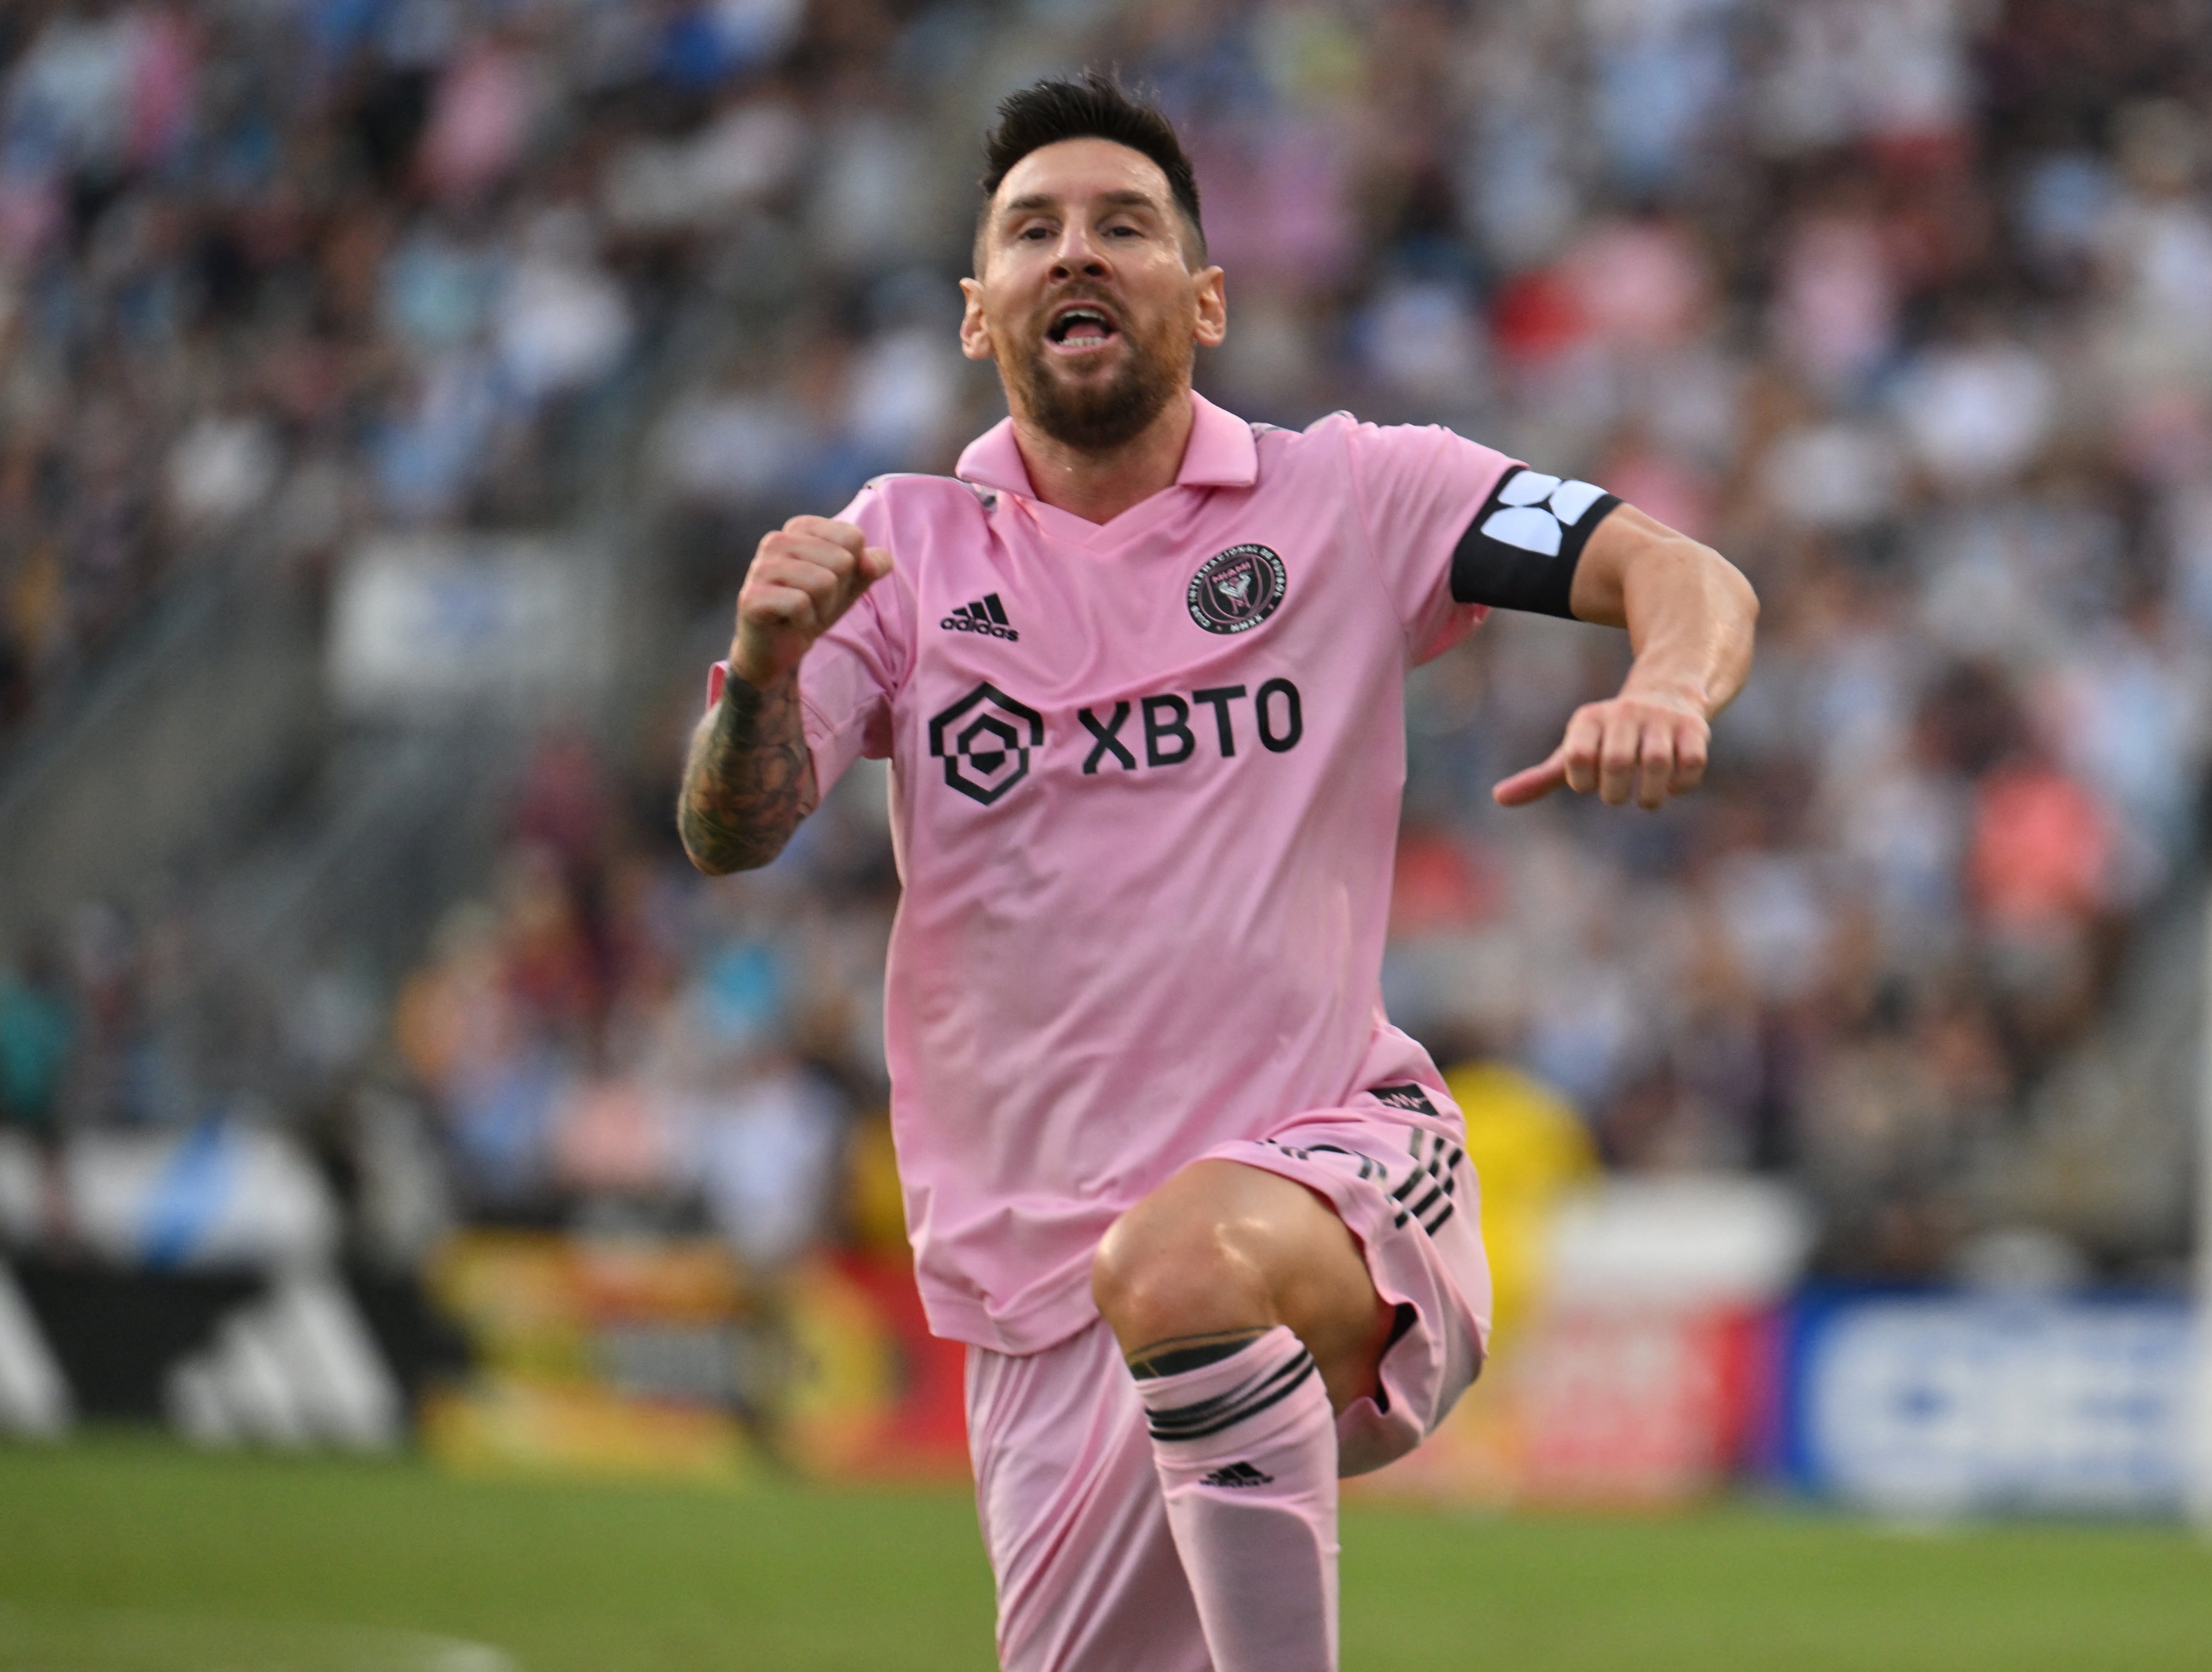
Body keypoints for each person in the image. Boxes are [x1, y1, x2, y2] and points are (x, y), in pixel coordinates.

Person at [678, 73, 1757, 1672]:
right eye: (1033, 232)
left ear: (1208, 296)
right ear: (981, 315)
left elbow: (1672, 565)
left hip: (1343, 1177)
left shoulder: (1355, 494)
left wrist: (1671, 683)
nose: (1078, 254)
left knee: (1179, 1258)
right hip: (1045, 1308)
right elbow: (730, 825)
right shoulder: (898, 552)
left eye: (1125, 224)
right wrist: (764, 665)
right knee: (1142, 1312)